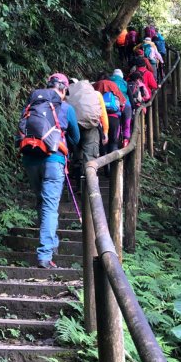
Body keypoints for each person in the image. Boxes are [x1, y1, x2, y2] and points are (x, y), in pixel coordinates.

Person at [19, 73, 80, 269]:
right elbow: (76, 137)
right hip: (54, 160)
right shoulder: (66, 108)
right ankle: (45, 254)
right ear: (63, 89)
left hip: (30, 159)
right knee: (50, 206)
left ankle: (51, 242)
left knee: (42, 201)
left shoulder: (33, 105)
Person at [67, 79, 109, 179]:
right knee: (90, 158)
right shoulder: (96, 94)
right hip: (91, 128)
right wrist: (105, 132)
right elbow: (103, 114)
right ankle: (89, 188)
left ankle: (78, 185)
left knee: (77, 157)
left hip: (75, 127)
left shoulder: (72, 95)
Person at [93, 72, 127, 153]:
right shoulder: (113, 85)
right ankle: (114, 164)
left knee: (101, 143)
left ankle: (104, 164)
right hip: (114, 117)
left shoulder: (95, 85)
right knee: (113, 141)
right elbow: (122, 102)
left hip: (99, 119)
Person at [110, 69, 132, 148]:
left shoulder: (109, 81)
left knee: (117, 122)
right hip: (126, 104)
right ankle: (126, 142)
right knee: (127, 123)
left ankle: (116, 141)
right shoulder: (124, 83)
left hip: (115, 104)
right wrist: (133, 107)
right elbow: (130, 96)